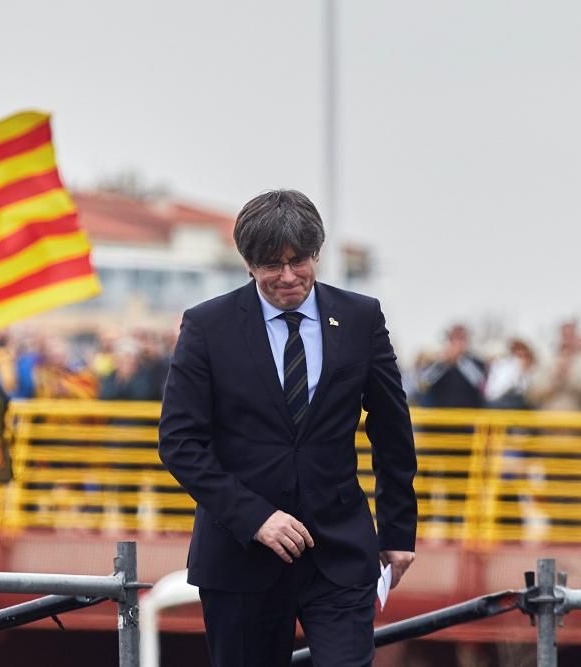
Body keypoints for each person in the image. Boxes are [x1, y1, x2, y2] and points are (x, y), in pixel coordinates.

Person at [158, 190, 417, 666]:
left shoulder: (361, 318)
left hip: (339, 551)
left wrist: (399, 530)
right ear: (247, 263)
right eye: (270, 265)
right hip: (240, 557)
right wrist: (255, 517)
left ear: (316, 252)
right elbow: (180, 443)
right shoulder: (207, 327)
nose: (288, 277)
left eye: (298, 261)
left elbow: (391, 428)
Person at [417, 324, 487, 407]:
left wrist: (460, 360)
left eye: (461, 339)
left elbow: (481, 384)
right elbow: (424, 382)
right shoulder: (436, 362)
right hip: (440, 415)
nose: (457, 343)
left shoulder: (477, 362)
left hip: (470, 414)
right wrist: (443, 363)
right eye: (454, 339)